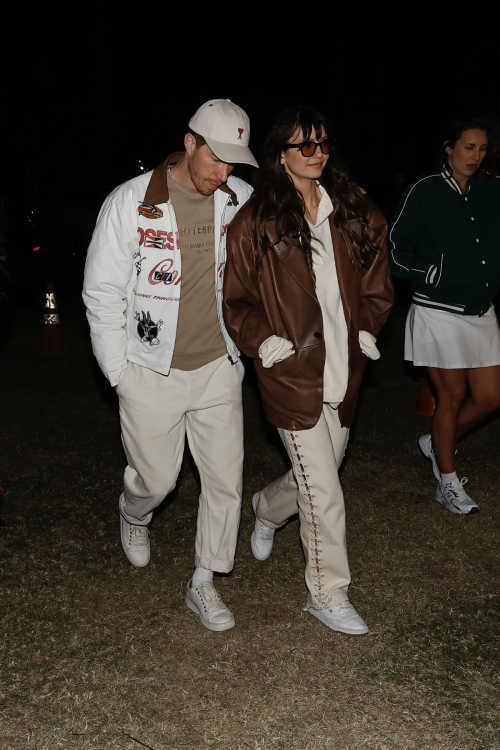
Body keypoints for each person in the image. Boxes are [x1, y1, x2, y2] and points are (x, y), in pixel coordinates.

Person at [83, 99, 257, 632]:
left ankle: (203, 580)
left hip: (217, 366)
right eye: (215, 159)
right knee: (158, 480)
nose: (222, 173)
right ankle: (133, 514)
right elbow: (102, 291)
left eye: (233, 162)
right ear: (189, 142)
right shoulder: (132, 202)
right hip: (149, 370)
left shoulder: (240, 199)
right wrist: (118, 372)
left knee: (225, 480)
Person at [223, 106, 393, 635]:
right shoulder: (257, 220)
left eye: (324, 145)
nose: (317, 154)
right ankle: (328, 591)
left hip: (343, 370)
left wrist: (368, 324)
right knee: (324, 492)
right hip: (291, 373)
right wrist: (261, 340)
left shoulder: (352, 209)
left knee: (313, 480)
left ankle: (266, 508)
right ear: (281, 154)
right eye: (305, 147)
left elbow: (376, 277)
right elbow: (237, 302)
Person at [389, 118, 500, 514]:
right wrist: (427, 272)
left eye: (483, 149)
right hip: (437, 311)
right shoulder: (424, 191)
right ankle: (447, 483)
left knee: (490, 398)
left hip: (480, 310)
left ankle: (438, 443)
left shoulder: (490, 189)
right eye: (469, 147)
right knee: (450, 397)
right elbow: (395, 250)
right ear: (449, 147)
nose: (476, 156)